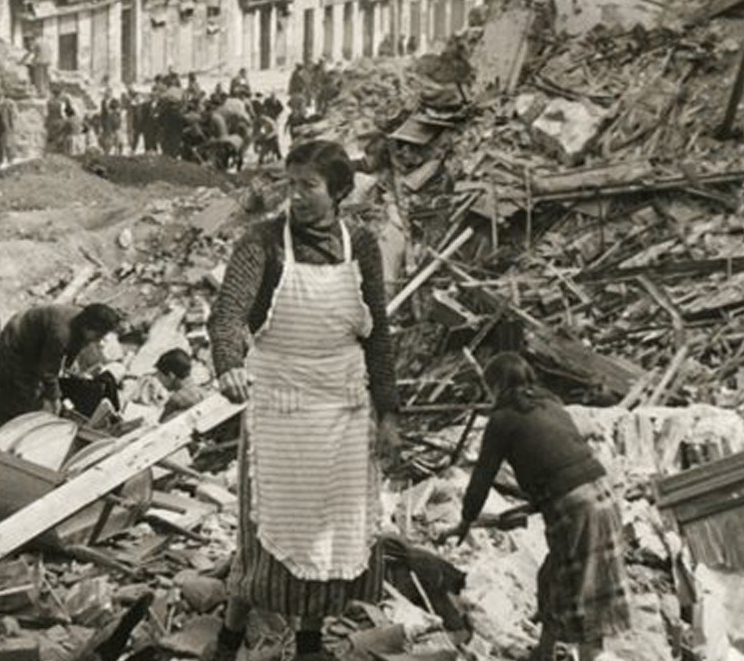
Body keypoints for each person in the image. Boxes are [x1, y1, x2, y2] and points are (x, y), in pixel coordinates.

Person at [204, 139, 400, 661]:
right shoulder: (261, 242)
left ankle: (309, 640)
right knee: (263, 535)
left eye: (309, 186)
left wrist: (390, 413)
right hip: (280, 408)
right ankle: (230, 634)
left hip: (341, 409)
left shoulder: (360, 244)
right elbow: (226, 316)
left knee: (327, 535)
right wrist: (228, 365)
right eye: (291, 185)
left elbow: (377, 334)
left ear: (338, 191)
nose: (296, 196)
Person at [440, 353, 630, 661]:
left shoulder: (502, 419)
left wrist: (465, 520)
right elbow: (558, 456)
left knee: (584, 589)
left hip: (575, 505)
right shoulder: (550, 403)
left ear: (498, 384)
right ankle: (543, 652)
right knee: (553, 576)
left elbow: (483, 475)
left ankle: (590, 656)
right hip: (603, 493)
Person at [0, 303, 125, 428]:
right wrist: (55, 399)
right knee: (15, 389)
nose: (99, 340)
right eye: (98, 335)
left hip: (38, 340)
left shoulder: (82, 319)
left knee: (36, 390)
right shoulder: (60, 334)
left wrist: (70, 366)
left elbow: (79, 342)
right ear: (90, 327)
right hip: (17, 339)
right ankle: (0, 424)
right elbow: (48, 373)